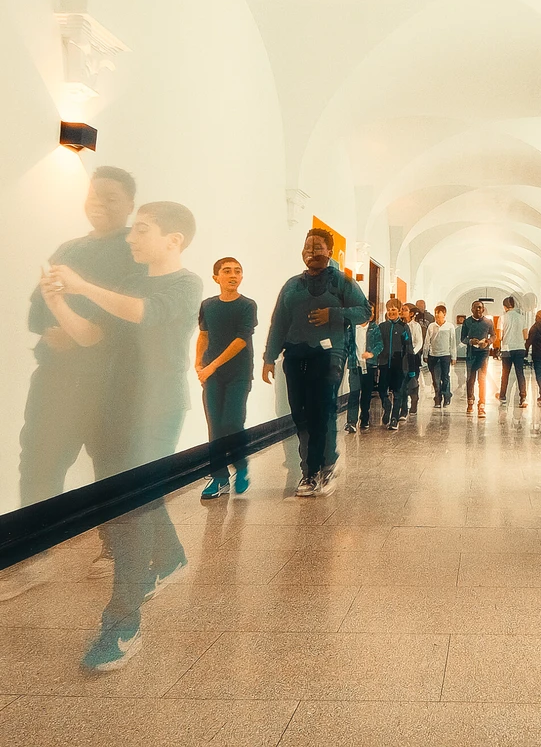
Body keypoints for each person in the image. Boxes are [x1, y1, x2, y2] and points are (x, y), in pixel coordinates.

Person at [41, 201, 203, 670]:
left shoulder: (186, 283)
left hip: (158, 408)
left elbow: (146, 315)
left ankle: (122, 619)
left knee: (130, 508)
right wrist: (59, 302)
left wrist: (82, 284)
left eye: (143, 230)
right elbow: (93, 335)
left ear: (173, 240)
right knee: (127, 497)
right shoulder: (130, 282)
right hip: (115, 404)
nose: (131, 238)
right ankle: (169, 556)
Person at [1, 167, 143, 600]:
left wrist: (80, 329)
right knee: (39, 461)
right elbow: (35, 309)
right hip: (56, 379)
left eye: (111, 197)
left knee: (111, 465)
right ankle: (31, 555)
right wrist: (55, 328)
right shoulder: (68, 248)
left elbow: (117, 324)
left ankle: (115, 551)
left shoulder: (133, 252)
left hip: (110, 384)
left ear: (130, 204)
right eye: (94, 195)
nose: (99, 203)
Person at [262, 228, 371, 496]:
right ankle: (311, 468)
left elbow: (365, 312)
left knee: (322, 408)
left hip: (330, 353)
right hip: (296, 354)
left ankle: (322, 468)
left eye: (318, 247)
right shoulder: (292, 285)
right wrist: (268, 357)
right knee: (300, 413)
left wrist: (334, 314)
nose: (312, 252)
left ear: (329, 252)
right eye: (308, 247)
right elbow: (278, 322)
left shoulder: (343, 282)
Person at [195, 257, 257, 499]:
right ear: (216, 278)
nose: (233, 275)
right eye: (227, 271)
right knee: (215, 425)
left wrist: (211, 366)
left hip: (238, 374)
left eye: (238, 271)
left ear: (242, 277)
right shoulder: (208, 305)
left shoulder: (247, 305)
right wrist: (198, 362)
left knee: (232, 421)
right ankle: (219, 478)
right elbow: (204, 335)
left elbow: (240, 341)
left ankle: (241, 467)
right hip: (212, 375)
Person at [376, 298, 414, 429]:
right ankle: (387, 406)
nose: (391, 312)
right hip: (385, 364)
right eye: (389, 310)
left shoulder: (404, 327)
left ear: (399, 311)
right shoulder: (382, 327)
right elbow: (377, 344)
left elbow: (409, 347)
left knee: (398, 392)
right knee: (382, 390)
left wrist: (411, 367)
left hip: (399, 365)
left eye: (394, 310)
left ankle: (394, 419)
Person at [345, 305, 383, 433]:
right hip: (354, 365)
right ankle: (351, 421)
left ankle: (365, 418)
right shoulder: (351, 328)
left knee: (366, 394)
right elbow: (346, 345)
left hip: (369, 365)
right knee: (354, 392)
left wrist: (371, 354)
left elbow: (380, 344)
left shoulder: (374, 328)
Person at [460, 300, 494, 417]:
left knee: (482, 379)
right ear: (472, 309)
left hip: (483, 353)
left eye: (480, 308)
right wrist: (470, 341)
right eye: (475, 308)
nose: (478, 310)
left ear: (483, 309)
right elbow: (463, 338)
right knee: (470, 379)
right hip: (471, 353)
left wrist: (488, 342)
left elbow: (494, 335)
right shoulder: (467, 322)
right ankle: (470, 402)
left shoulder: (488, 322)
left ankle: (482, 405)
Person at [495, 296, 529, 407]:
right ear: (514, 306)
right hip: (519, 348)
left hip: (507, 349)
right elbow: (525, 336)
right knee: (520, 373)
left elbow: (499, 337)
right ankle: (523, 397)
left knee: (505, 373)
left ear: (504, 307)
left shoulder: (502, 318)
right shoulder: (522, 318)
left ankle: (503, 396)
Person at [424, 304, 456, 407]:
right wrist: (426, 353)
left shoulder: (450, 326)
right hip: (433, 355)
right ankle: (437, 399)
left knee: (445, 377)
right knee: (435, 378)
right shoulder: (431, 326)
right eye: (436, 314)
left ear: (444, 314)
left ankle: (446, 396)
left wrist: (453, 356)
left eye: (439, 314)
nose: (437, 316)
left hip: (445, 355)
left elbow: (453, 342)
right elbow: (427, 341)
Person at [398, 302, 424, 419]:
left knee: (412, 381)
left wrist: (412, 352)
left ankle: (414, 402)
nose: (402, 312)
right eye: (401, 309)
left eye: (405, 310)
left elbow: (419, 341)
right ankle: (403, 409)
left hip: (413, 357)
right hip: (400, 358)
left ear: (411, 313)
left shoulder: (416, 326)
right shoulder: (398, 325)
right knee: (401, 383)